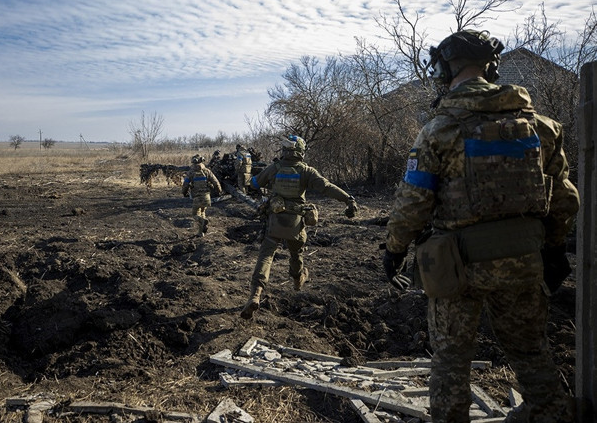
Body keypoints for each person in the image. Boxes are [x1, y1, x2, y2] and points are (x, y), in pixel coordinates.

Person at [382, 29, 580, 423]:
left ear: (446, 68)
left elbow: (414, 202)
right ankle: (553, 414)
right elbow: (564, 199)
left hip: (458, 267)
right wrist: (555, 248)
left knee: (451, 361)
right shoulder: (542, 126)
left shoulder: (439, 130)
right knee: (530, 352)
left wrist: (394, 249)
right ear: (491, 66)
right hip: (524, 262)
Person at [240, 135, 359, 319]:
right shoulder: (306, 171)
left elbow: (254, 184)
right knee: (296, 254)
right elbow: (327, 187)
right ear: (301, 152)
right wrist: (347, 199)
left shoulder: (274, 168)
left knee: (266, 257)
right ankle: (297, 280)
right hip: (295, 224)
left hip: (275, 222)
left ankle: (255, 295)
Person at [181, 154, 222, 237]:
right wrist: (219, 191)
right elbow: (216, 182)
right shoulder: (207, 171)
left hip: (197, 197)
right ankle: (200, 232)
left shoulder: (191, 173)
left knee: (195, 215)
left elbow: (185, 184)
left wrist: (184, 193)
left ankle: (202, 222)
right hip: (206, 196)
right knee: (202, 212)